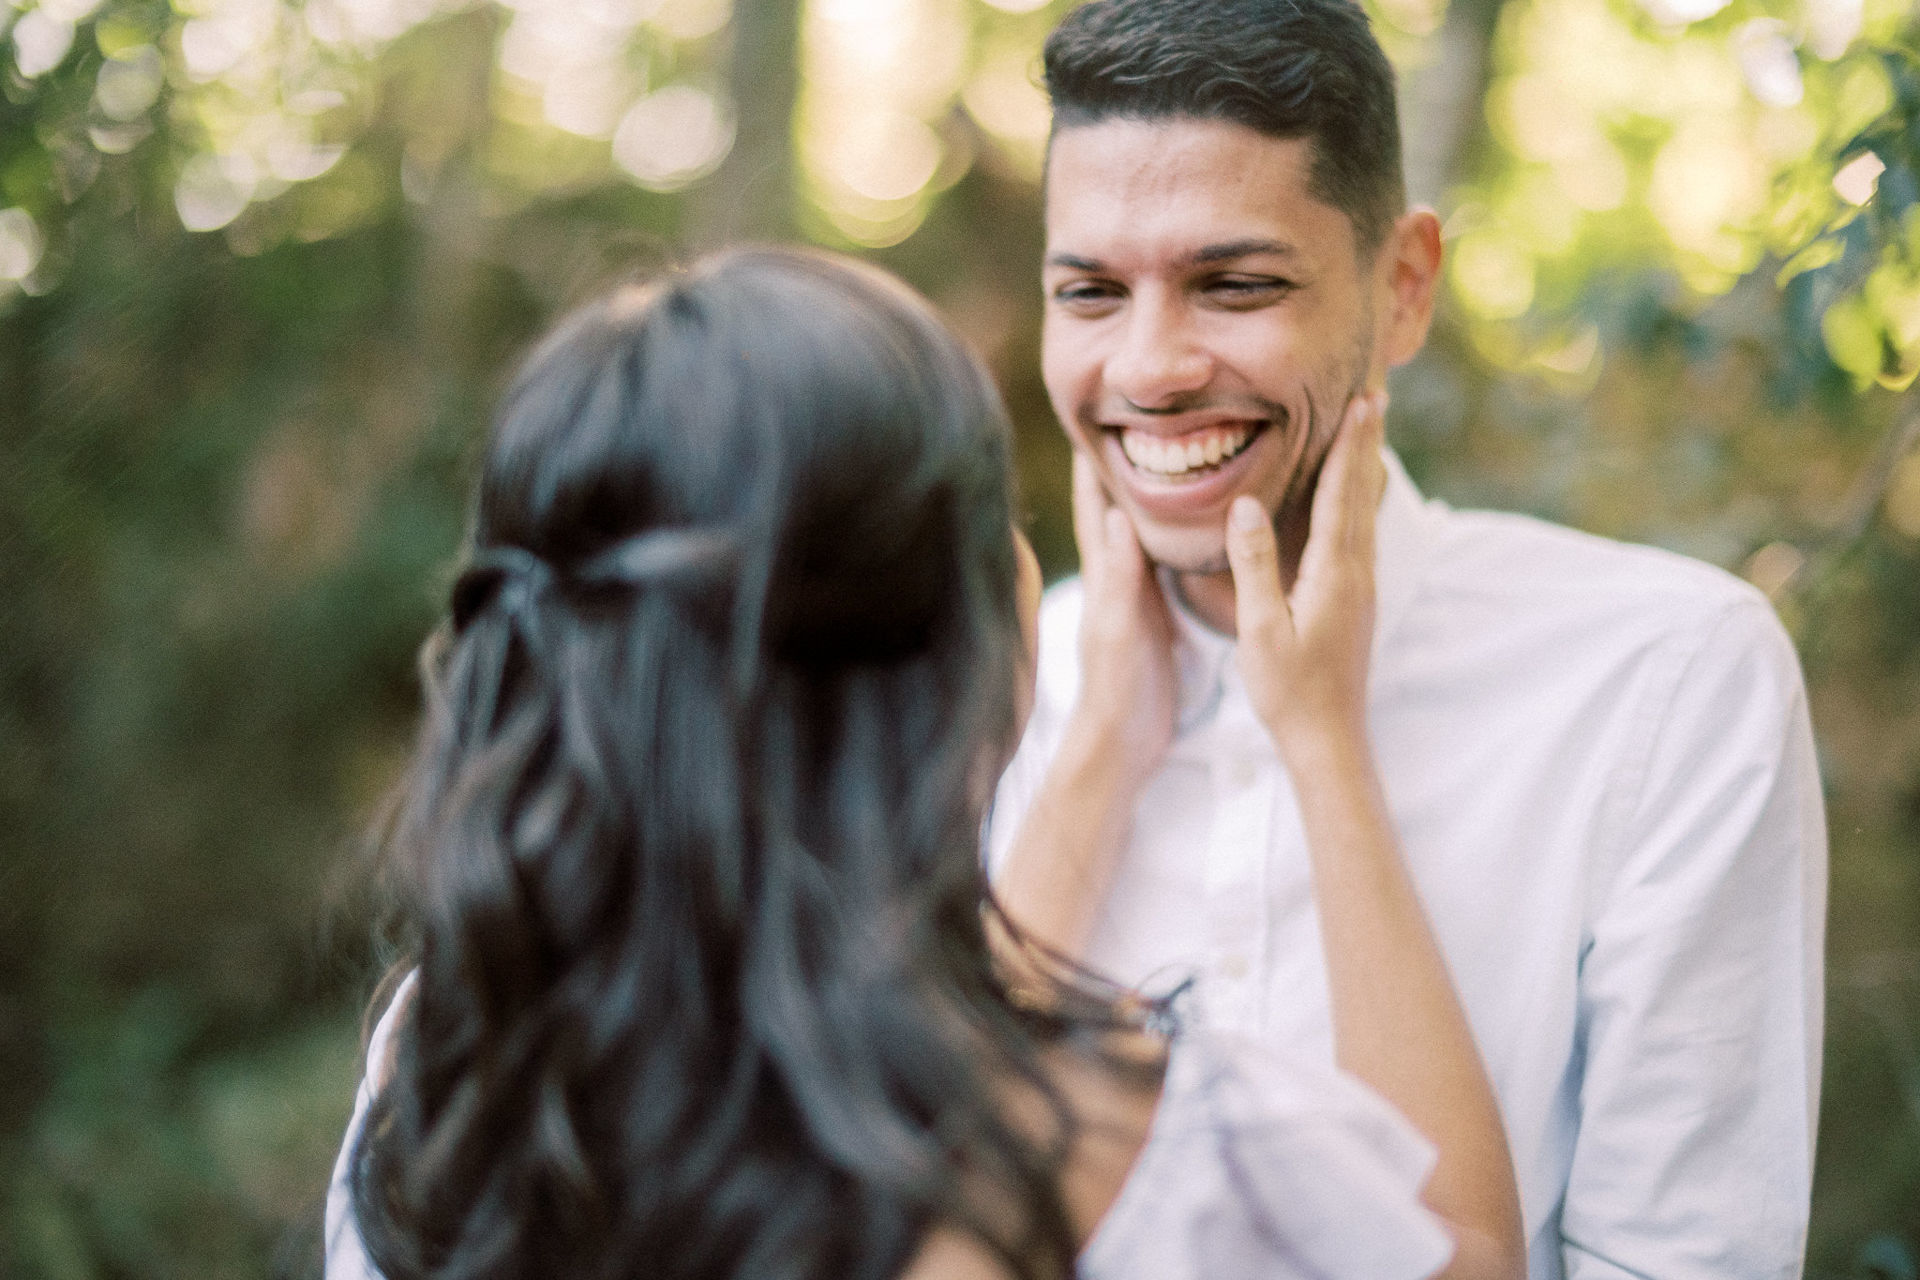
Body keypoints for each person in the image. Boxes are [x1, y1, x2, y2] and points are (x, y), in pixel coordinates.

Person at [322, 248, 1524, 1279]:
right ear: (966, 641)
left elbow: (872, 1021)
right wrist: (1322, 739)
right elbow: (1456, 1252)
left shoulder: (449, 1080)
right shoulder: (1148, 1149)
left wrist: (1104, 745)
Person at [988, 2, 1828, 1278]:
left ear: (1404, 288)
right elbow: (896, 1211)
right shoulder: (985, 686)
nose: (1150, 369)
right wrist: (1102, 740)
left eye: (1237, 284)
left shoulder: (1669, 677)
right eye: (1091, 292)